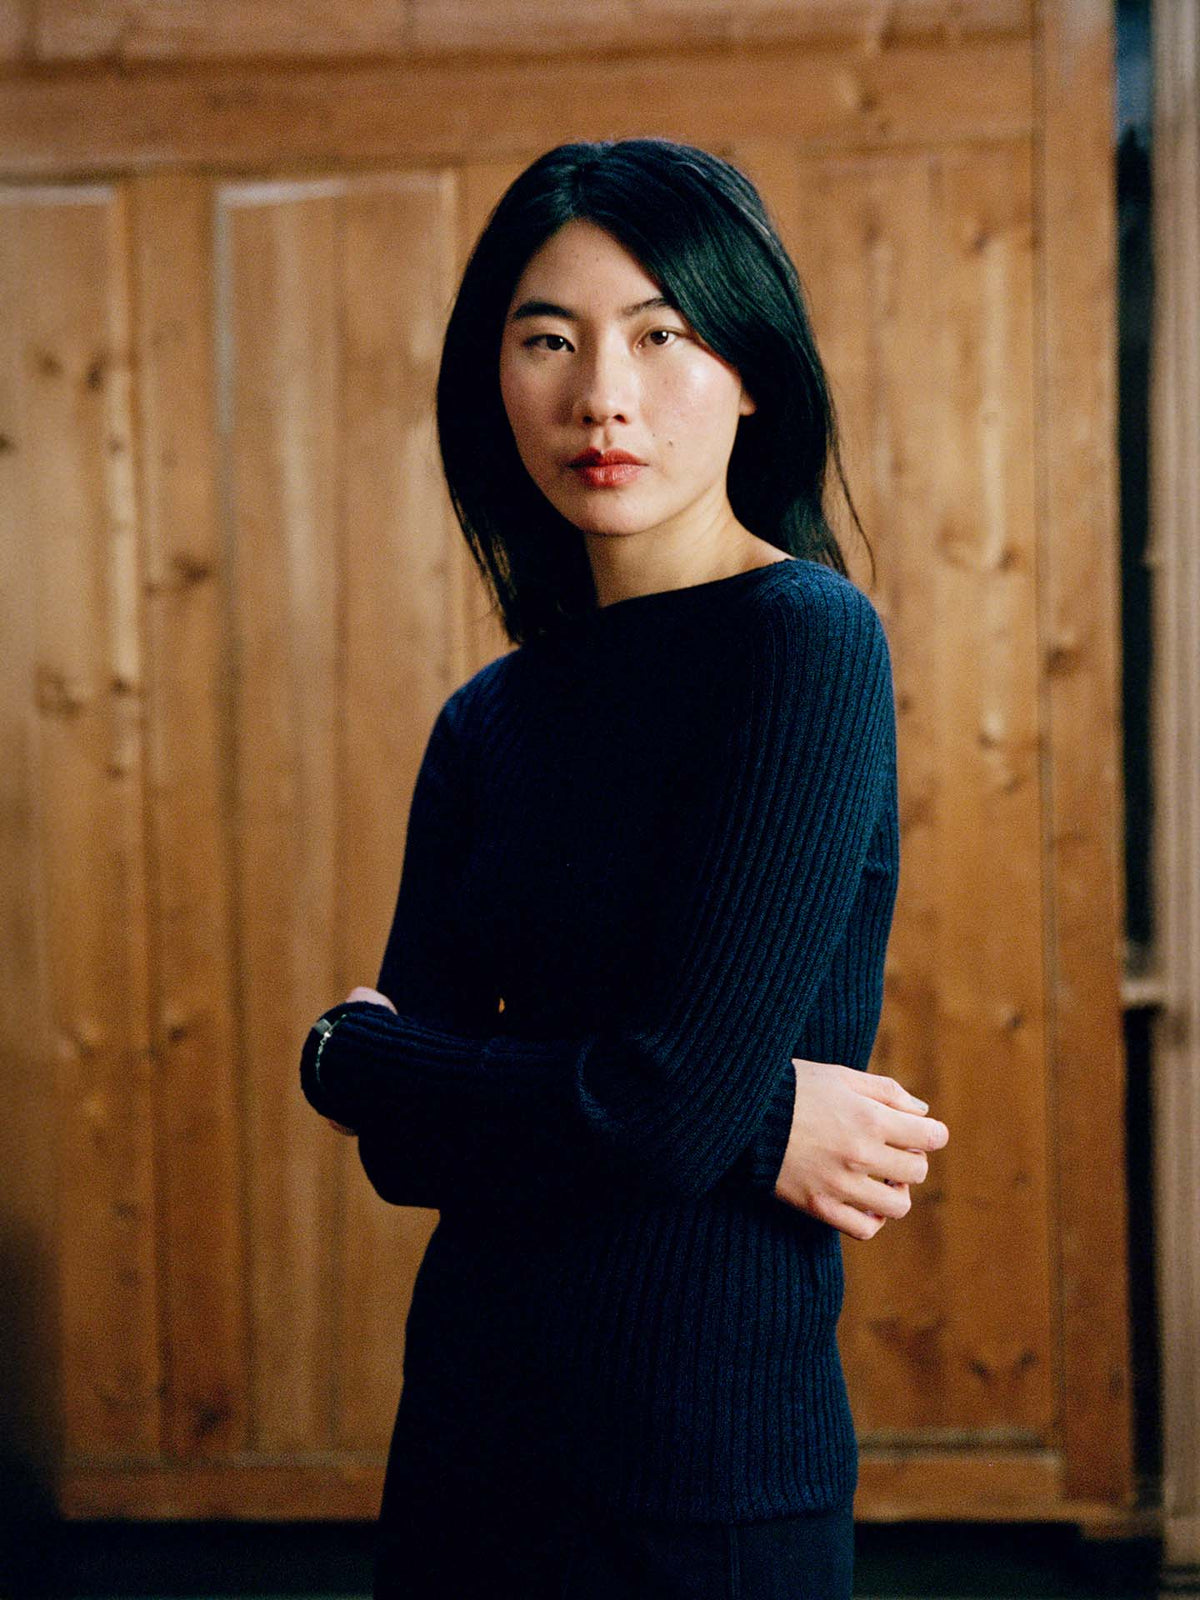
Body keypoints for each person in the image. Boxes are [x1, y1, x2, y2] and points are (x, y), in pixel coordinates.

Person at [299, 137, 949, 1599]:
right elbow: (418, 1148)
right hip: (467, 1442)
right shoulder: (490, 720)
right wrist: (761, 1110)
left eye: (663, 336)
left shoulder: (806, 643)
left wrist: (355, 1057)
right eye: (550, 340)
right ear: (498, 380)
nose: (603, 392)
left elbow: (647, 1111)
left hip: (701, 1469)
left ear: (750, 373)